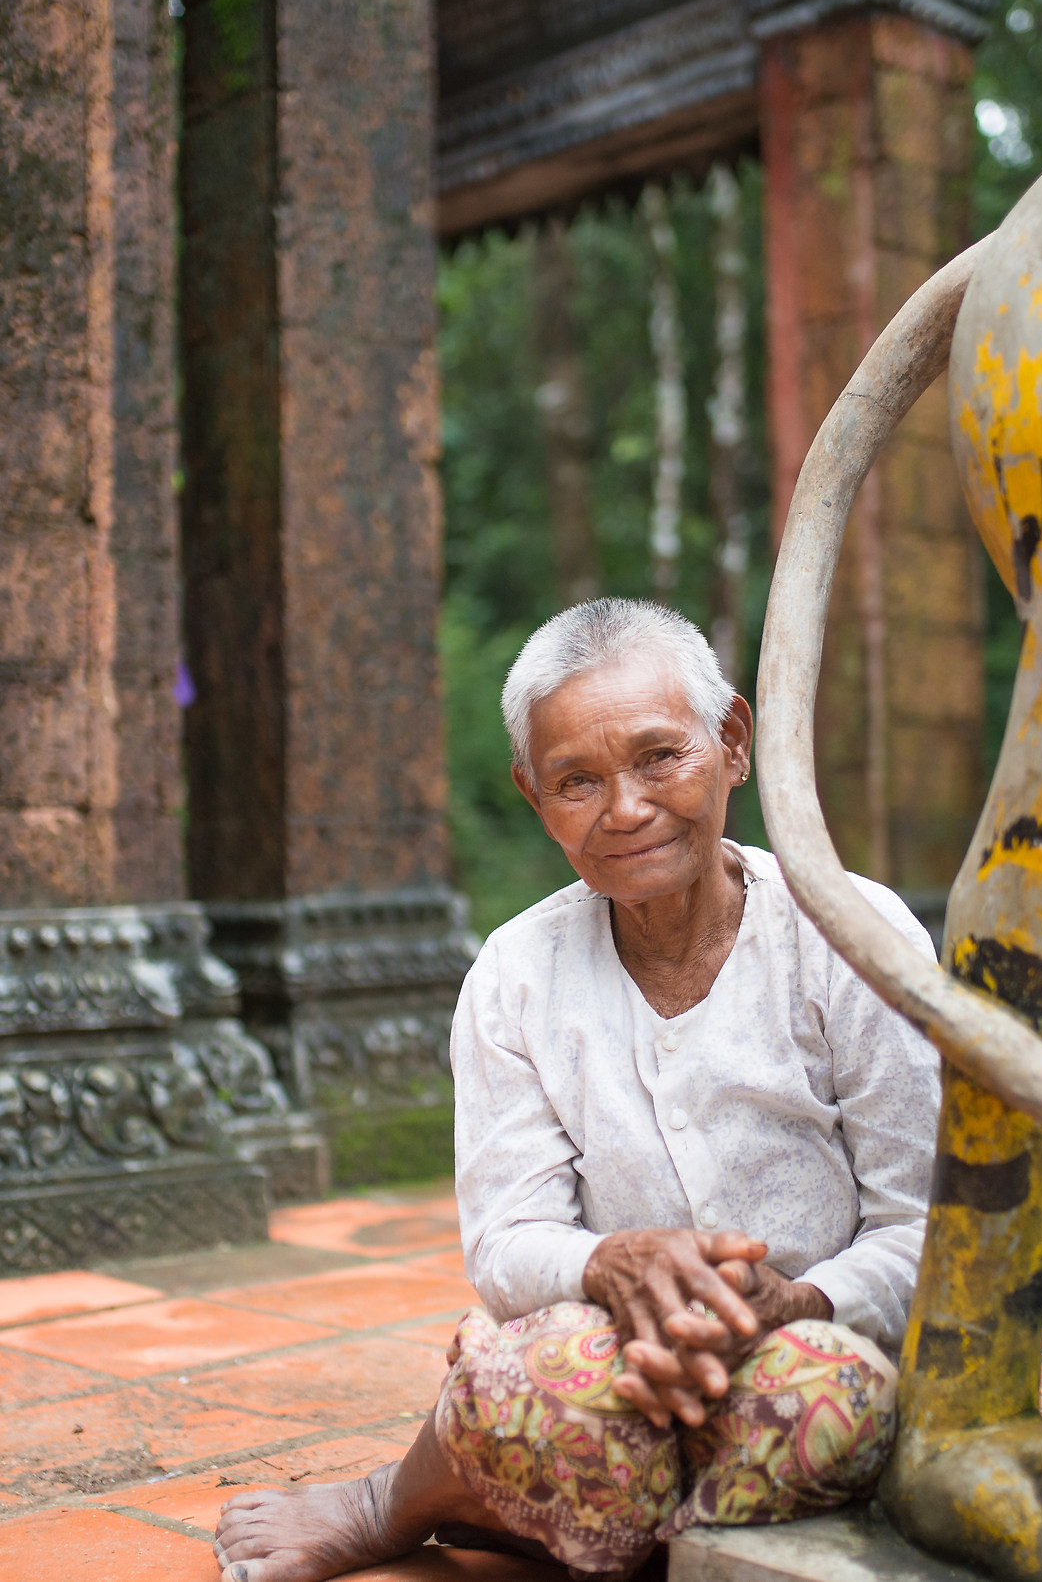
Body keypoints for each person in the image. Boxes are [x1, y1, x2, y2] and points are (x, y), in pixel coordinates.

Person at [214, 599, 940, 1580]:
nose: (627, 809)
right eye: (577, 781)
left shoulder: (855, 935)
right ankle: (422, 1496)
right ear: (532, 795)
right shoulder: (516, 974)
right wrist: (616, 1266)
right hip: (617, 1353)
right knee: (533, 1387)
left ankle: (544, 1512)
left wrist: (797, 1298)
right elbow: (509, 1243)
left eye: (657, 758)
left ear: (730, 742)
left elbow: (925, 1230)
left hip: (817, 1341)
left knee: (813, 1413)